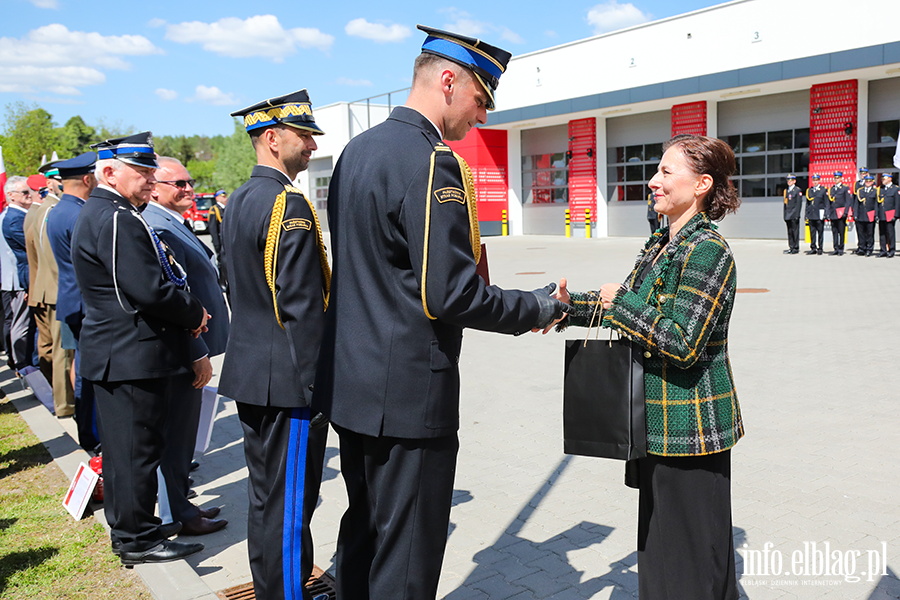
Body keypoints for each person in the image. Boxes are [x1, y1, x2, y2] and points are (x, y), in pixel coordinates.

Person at [313, 26, 568, 600]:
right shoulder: (434, 162)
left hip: (353, 388)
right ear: (448, 80)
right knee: (406, 559)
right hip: (407, 397)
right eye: (481, 100)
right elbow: (449, 294)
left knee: (364, 537)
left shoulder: (358, 150)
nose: (480, 117)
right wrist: (538, 306)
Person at [552, 134, 743, 600]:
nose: (654, 181)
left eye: (665, 172)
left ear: (701, 184)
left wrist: (620, 303)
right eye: (656, 171)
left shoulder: (709, 251)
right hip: (654, 422)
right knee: (662, 549)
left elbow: (681, 342)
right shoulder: (661, 243)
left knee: (692, 556)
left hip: (691, 428)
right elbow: (631, 305)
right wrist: (565, 306)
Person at [71, 132, 209, 566]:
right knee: (135, 453)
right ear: (109, 172)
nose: (152, 180)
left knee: (130, 451)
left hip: (125, 352)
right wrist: (195, 313)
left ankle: (136, 532)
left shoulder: (113, 212)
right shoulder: (116, 217)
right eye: (143, 171)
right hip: (130, 354)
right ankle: (137, 539)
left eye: (152, 171)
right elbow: (148, 288)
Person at [219, 90, 330, 600]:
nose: (310, 146)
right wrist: (319, 383)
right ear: (272, 138)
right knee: (288, 506)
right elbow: (300, 305)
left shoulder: (238, 199)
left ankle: (271, 588)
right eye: (303, 136)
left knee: (266, 497)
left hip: (252, 370)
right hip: (289, 380)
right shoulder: (289, 203)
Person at [144, 156, 229, 536]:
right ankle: (178, 511)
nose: (188, 188)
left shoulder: (171, 221)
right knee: (176, 436)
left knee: (184, 435)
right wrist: (196, 350)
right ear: (156, 188)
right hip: (186, 345)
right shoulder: (156, 224)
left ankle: (181, 502)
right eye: (178, 183)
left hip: (196, 342)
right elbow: (173, 292)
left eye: (189, 181)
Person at [45, 152, 101, 451]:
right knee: (90, 374)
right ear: (87, 178)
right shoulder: (79, 213)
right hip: (84, 303)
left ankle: (89, 431)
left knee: (84, 369)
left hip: (72, 300)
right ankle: (93, 434)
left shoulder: (58, 210)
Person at [26, 162, 75, 417]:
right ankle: (65, 404)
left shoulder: (42, 210)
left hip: (44, 288)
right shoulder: (54, 209)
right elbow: (55, 256)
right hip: (56, 288)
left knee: (52, 349)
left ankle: (60, 399)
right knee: (63, 353)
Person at [2, 175, 36, 372]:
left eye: (30, 191)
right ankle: (22, 365)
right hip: (20, 280)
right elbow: (31, 248)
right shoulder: (13, 219)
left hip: (23, 278)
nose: (29, 195)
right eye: (25, 192)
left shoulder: (19, 215)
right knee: (21, 324)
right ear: (11, 196)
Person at [207, 189, 229, 299]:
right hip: (220, 240)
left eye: (225, 196)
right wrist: (216, 244)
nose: (225, 198)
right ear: (217, 198)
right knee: (221, 262)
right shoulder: (214, 209)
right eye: (222, 196)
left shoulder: (227, 208)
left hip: (227, 240)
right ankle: (222, 282)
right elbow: (213, 228)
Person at [827, 171, 851, 255]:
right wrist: (828, 213)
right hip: (833, 213)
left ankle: (841, 249)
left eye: (838, 178)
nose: (836, 179)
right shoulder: (832, 189)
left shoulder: (845, 188)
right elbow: (829, 203)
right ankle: (835, 248)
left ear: (841, 178)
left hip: (841, 213)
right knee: (834, 232)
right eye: (835, 178)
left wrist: (846, 212)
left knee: (841, 232)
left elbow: (848, 201)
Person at [855, 173, 877, 256]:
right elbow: (856, 204)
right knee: (861, 233)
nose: (867, 182)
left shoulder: (875, 191)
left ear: (872, 182)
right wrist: (855, 214)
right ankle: (861, 248)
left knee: (869, 233)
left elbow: (875, 204)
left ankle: (869, 249)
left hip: (870, 215)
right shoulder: (860, 191)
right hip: (861, 215)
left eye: (869, 181)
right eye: (866, 181)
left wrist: (876, 215)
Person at [877, 172, 898, 258]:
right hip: (882, 214)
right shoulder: (881, 189)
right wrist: (877, 215)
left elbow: (897, 203)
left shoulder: (895, 189)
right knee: (882, 233)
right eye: (882, 179)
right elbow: (877, 203)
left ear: (890, 179)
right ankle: (883, 250)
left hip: (890, 214)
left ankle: (892, 250)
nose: (882, 180)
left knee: (890, 233)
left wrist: (896, 215)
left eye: (884, 179)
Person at [805, 174, 827, 255]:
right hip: (811, 214)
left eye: (816, 180)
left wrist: (826, 213)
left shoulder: (823, 190)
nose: (815, 182)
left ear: (819, 181)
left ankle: (820, 248)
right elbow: (807, 204)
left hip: (819, 215)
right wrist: (806, 214)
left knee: (820, 232)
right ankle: (813, 247)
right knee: (812, 232)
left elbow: (826, 203)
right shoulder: (809, 191)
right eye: (814, 180)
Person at [782, 173, 802, 254]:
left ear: (794, 181)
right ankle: (791, 246)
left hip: (794, 215)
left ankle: (796, 248)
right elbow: (785, 204)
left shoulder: (797, 191)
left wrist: (797, 215)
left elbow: (798, 204)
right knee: (789, 232)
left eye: (791, 180)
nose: (789, 182)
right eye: (788, 180)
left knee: (795, 231)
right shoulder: (786, 191)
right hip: (788, 215)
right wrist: (784, 214)